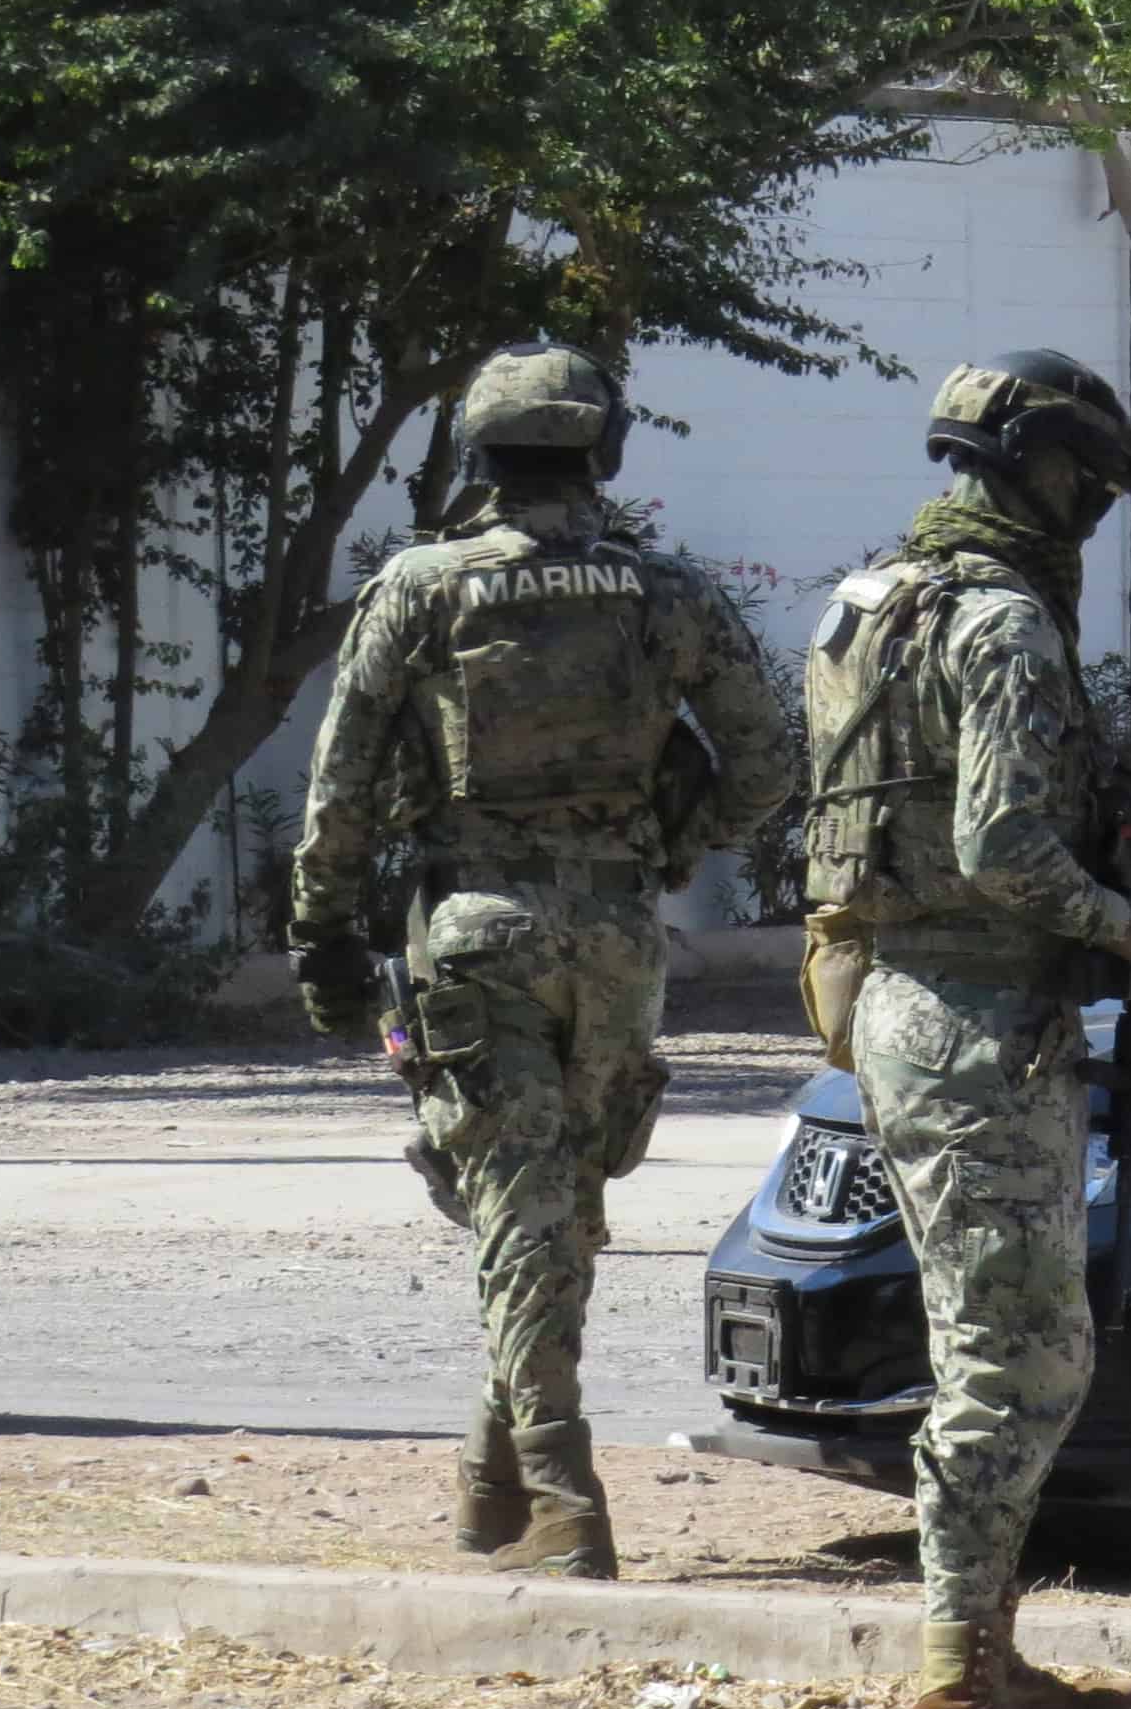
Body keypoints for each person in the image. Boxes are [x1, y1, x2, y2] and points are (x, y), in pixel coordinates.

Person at [289, 341, 795, 1582]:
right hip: (617, 939)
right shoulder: (663, 591)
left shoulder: (421, 586)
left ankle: (562, 1496)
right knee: (555, 1209)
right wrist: (667, 841)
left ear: (479, 454)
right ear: (600, 449)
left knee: (523, 1211)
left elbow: (342, 783)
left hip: (470, 928)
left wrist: (326, 937)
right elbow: (771, 761)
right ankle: (492, 1485)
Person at [801, 349, 1131, 1709]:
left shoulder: (870, 604)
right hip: (973, 1022)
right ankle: (954, 1696)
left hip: (905, 1002)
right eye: (1087, 483)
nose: (1092, 510)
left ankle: (989, 1651)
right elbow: (1003, 849)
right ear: (1047, 473)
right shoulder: (1005, 626)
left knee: (1011, 1344)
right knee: (1016, 1359)